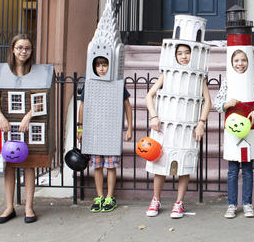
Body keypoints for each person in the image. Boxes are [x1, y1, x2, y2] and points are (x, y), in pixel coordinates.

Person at [145, 44, 211, 218]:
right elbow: (149, 95)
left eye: (187, 53)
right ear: (174, 56)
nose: (183, 56)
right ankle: (156, 199)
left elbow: (207, 101)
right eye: (180, 53)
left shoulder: (199, 77)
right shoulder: (166, 74)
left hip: (187, 127)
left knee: (183, 165)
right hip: (164, 126)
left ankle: (179, 202)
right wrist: (153, 116)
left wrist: (201, 123)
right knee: (160, 163)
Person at [213, 49, 254, 219]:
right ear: (231, 63)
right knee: (232, 170)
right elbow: (217, 104)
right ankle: (231, 204)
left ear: (249, 62)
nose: (240, 63)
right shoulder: (227, 82)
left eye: (243, 60)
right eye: (236, 60)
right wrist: (226, 104)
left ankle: (247, 204)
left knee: (247, 169)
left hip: (250, 130)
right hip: (232, 131)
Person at [76, 56, 133, 212]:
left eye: (104, 65)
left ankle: (109, 196)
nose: (101, 68)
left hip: (111, 130)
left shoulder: (117, 85)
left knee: (111, 166)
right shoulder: (91, 84)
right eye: (98, 65)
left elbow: (127, 106)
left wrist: (129, 128)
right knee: (98, 166)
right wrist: (80, 128)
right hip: (95, 131)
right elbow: (82, 106)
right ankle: (99, 196)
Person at [0, 34, 38, 224]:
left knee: (29, 165)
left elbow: (41, 97)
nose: (23, 52)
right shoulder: (2, 72)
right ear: (13, 49)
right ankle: (9, 206)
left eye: (27, 48)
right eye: (20, 47)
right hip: (7, 125)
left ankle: (29, 206)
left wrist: (30, 114)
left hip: (28, 124)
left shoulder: (36, 73)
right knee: (9, 166)